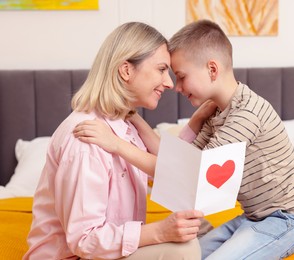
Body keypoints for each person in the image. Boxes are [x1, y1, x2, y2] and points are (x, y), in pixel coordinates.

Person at [74, 20, 294, 260]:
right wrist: (134, 118)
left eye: (181, 76)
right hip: (256, 217)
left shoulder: (246, 114)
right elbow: (178, 162)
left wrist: (117, 145)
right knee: (186, 256)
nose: (176, 86)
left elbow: (190, 173)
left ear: (212, 69)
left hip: (293, 219)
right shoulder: (216, 112)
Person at [23, 22, 204, 260]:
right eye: (161, 69)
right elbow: (84, 240)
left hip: (104, 253)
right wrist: (159, 232)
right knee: (185, 251)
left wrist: (137, 120)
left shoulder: (125, 128)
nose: (169, 83)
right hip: (76, 256)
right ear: (126, 70)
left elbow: (174, 172)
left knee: (204, 234)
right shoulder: (86, 138)